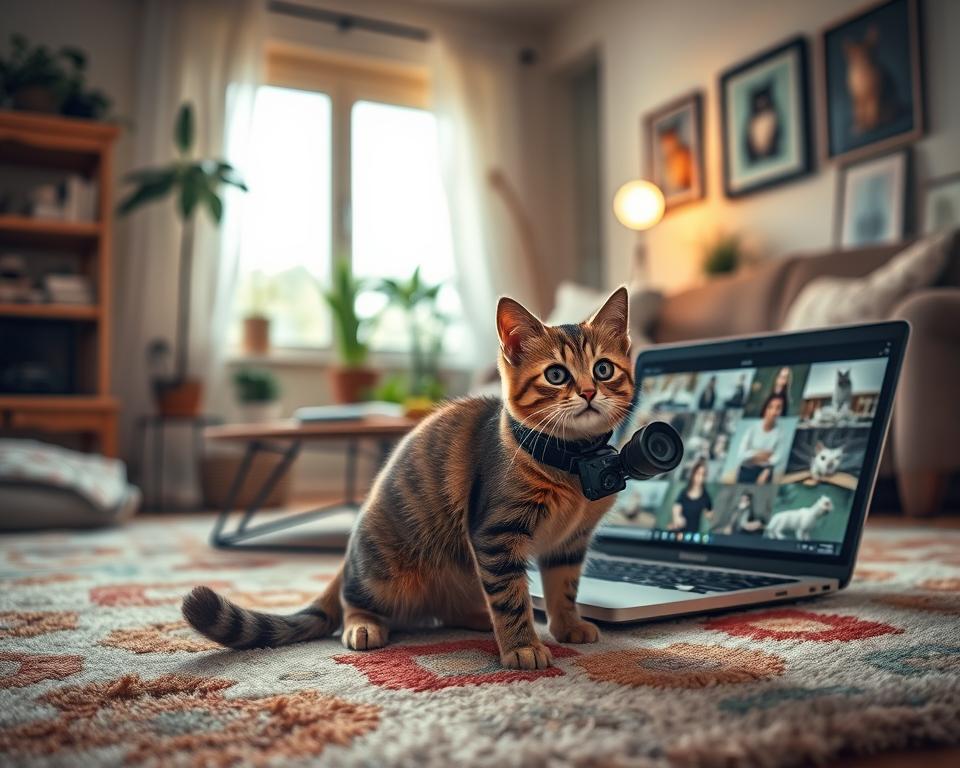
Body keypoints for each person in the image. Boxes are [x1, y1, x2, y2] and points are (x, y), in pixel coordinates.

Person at [736, 394, 785, 484]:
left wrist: (766, 468)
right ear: (765, 409)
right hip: (746, 470)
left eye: (778, 408)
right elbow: (741, 454)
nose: (774, 412)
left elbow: (777, 457)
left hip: (765, 470)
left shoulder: (780, 433)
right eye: (770, 407)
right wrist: (759, 454)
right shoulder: (752, 429)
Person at [668, 459, 713, 534]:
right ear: (693, 474)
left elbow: (710, 513)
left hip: (692, 533)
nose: (700, 478)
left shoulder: (705, 495)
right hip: (679, 530)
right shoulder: (684, 492)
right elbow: (676, 507)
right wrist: (677, 518)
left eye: (703, 475)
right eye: (698, 473)